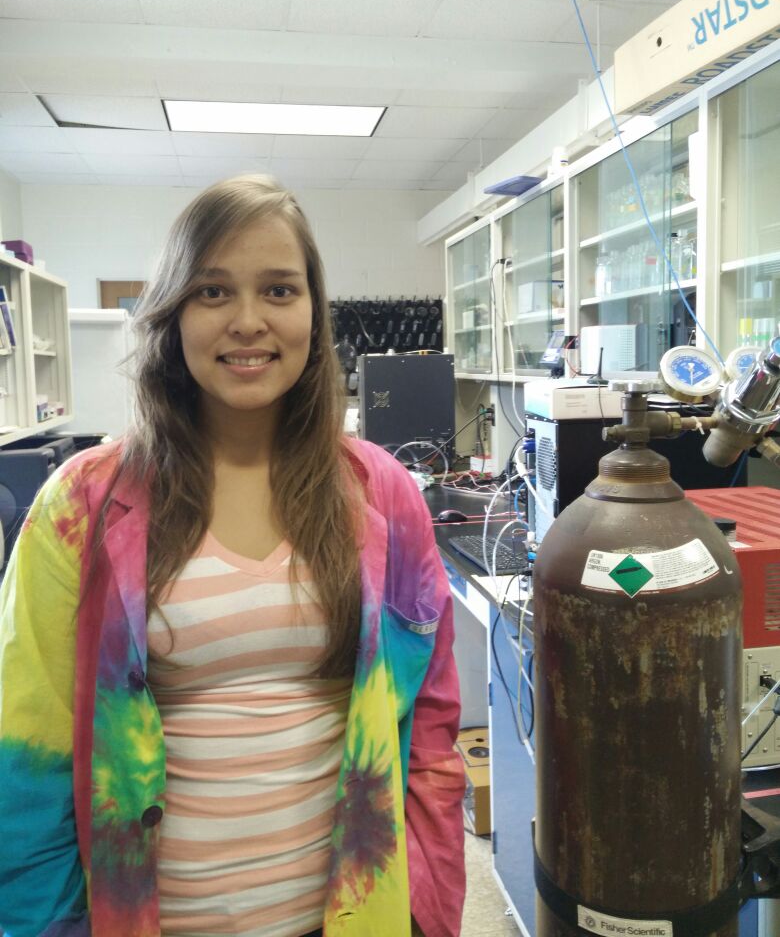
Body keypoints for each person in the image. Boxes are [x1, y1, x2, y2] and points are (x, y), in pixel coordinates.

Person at [0, 174, 466, 937]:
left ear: (313, 312)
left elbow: (432, 734)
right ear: (173, 313)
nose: (248, 322)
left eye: (279, 290)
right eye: (213, 292)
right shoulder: (80, 505)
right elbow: (27, 766)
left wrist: (428, 914)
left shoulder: (382, 494)